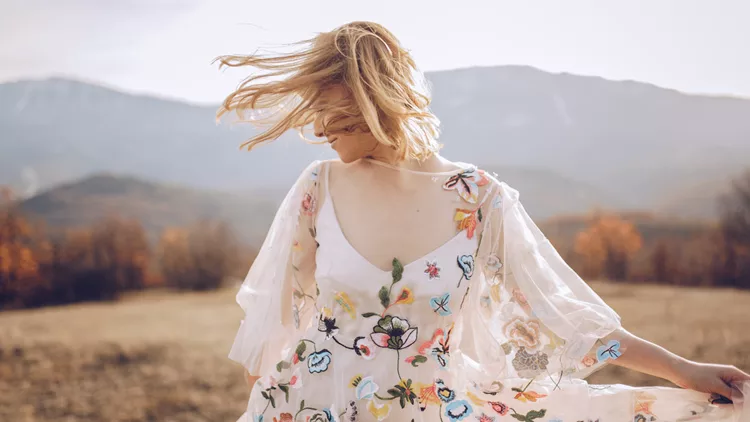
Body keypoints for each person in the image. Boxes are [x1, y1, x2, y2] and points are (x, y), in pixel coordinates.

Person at [216, 21, 749, 422]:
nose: (316, 125)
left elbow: (568, 321)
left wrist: (684, 370)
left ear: (371, 97)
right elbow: (272, 332)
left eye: (328, 110)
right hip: (307, 405)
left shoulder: (480, 199)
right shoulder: (318, 186)